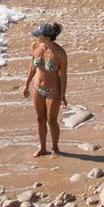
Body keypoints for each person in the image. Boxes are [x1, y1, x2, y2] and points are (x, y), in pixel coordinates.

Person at [22, 21, 67, 158]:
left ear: (47, 38)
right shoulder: (35, 46)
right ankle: (42, 148)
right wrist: (26, 84)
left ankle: (55, 147)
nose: (36, 37)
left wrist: (63, 95)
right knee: (40, 119)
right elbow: (32, 67)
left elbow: (63, 75)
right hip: (37, 88)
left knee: (51, 120)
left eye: (39, 35)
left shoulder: (60, 53)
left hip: (53, 91)